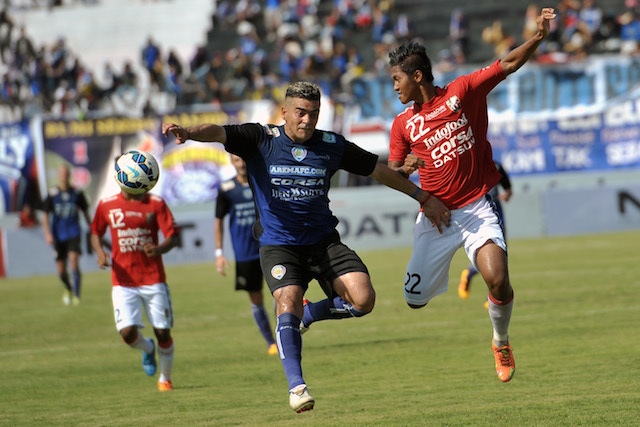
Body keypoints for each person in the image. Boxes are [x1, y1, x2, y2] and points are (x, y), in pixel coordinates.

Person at [162, 81, 432, 413]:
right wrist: (189, 132)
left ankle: (313, 312)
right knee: (287, 301)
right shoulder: (261, 138)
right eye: (301, 113)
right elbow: (219, 131)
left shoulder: (331, 144)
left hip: (323, 243)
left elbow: (376, 169)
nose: (307, 120)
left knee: (363, 300)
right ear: (285, 111)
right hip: (279, 246)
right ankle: (297, 387)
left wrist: (421, 196)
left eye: (314, 114)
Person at [386, 7, 557, 383]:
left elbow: (507, 64)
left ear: (417, 76)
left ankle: (501, 339)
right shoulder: (403, 124)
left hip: (476, 207)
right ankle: (441, 266)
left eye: (397, 79)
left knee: (497, 278)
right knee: (413, 300)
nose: (394, 87)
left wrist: (539, 37)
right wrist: (412, 181)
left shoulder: (463, 91)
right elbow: (392, 172)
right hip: (435, 216)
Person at [90, 153, 180, 392]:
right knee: (128, 334)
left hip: (153, 278)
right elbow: (95, 233)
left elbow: (174, 237)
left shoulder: (155, 203)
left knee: (163, 332)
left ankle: (165, 378)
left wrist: (159, 248)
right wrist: (100, 253)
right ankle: (147, 349)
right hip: (123, 281)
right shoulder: (107, 205)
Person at [215, 154, 278, 356]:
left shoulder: (261, 182)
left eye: (243, 159)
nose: (241, 163)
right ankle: (271, 342)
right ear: (232, 163)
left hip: (270, 247)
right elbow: (218, 221)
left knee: (281, 292)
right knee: (256, 298)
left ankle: (285, 335)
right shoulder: (226, 190)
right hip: (244, 253)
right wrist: (219, 253)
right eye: (237, 160)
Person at [458, 161, 512, 301]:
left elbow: (508, 189)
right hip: (477, 212)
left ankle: (495, 296)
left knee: (499, 253)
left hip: (495, 210)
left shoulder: (496, 166)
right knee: (486, 252)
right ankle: (471, 275)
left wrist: (506, 195)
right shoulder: (468, 164)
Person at [42, 164, 91, 306]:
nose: (64, 175)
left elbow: (85, 212)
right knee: (61, 270)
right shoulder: (52, 194)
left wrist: (93, 228)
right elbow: (45, 214)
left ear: (69, 175)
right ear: (58, 175)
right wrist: (47, 233)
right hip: (58, 235)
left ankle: (76, 295)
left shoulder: (77, 193)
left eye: (66, 173)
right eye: (61, 173)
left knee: (74, 260)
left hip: (74, 232)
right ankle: (68, 288)